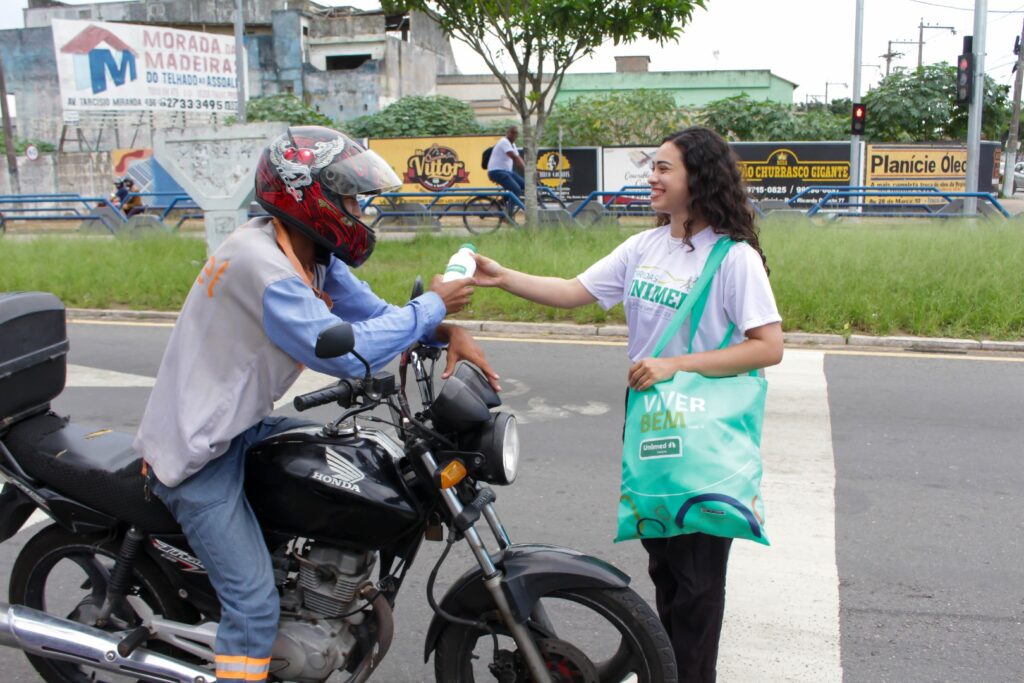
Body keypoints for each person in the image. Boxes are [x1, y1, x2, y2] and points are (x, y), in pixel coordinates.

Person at [133, 126, 499, 683]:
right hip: (198, 450)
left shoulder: (309, 253)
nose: (357, 209)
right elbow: (348, 354)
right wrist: (430, 307)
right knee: (254, 607)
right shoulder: (265, 266)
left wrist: (444, 331)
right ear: (308, 196)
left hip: (241, 426)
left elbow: (373, 317)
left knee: (351, 467)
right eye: (349, 198)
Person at [471, 126, 783, 682]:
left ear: (699, 178)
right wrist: (502, 278)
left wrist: (674, 365)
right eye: (653, 167)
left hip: (702, 427)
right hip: (651, 420)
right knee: (664, 566)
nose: (652, 177)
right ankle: (666, 670)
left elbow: (768, 346)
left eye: (665, 168)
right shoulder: (647, 245)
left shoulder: (734, 259)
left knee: (699, 582)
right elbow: (573, 290)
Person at [486, 125, 526, 197]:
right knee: (516, 190)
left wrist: (529, 169)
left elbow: (518, 157)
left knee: (524, 185)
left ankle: (504, 203)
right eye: (512, 132)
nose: (514, 135)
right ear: (507, 133)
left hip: (507, 172)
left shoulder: (512, 144)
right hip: (496, 172)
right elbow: (514, 157)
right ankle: (510, 208)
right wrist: (526, 170)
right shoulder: (504, 142)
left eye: (516, 133)